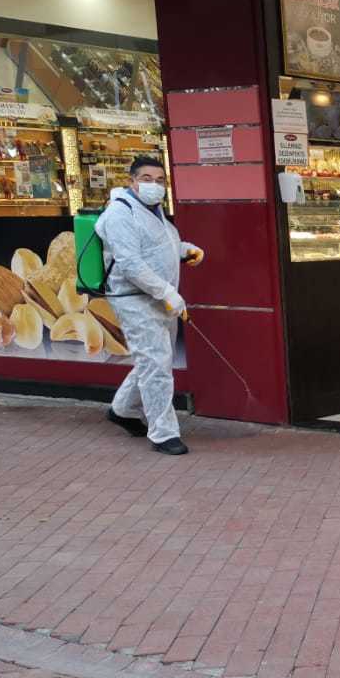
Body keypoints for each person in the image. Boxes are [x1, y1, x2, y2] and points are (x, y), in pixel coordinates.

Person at [97, 156, 203, 456]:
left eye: (160, 180)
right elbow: (130, 264)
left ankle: (123, 410)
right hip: (134, 300)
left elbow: (159, 248)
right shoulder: (120, 214)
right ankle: (163, 433)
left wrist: (186, 250)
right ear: (131, 181)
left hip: (160, 299)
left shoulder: (154, 211)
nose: (153, 185)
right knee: (156, 364)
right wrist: (167, 292)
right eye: (146, 178)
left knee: (155, 360)